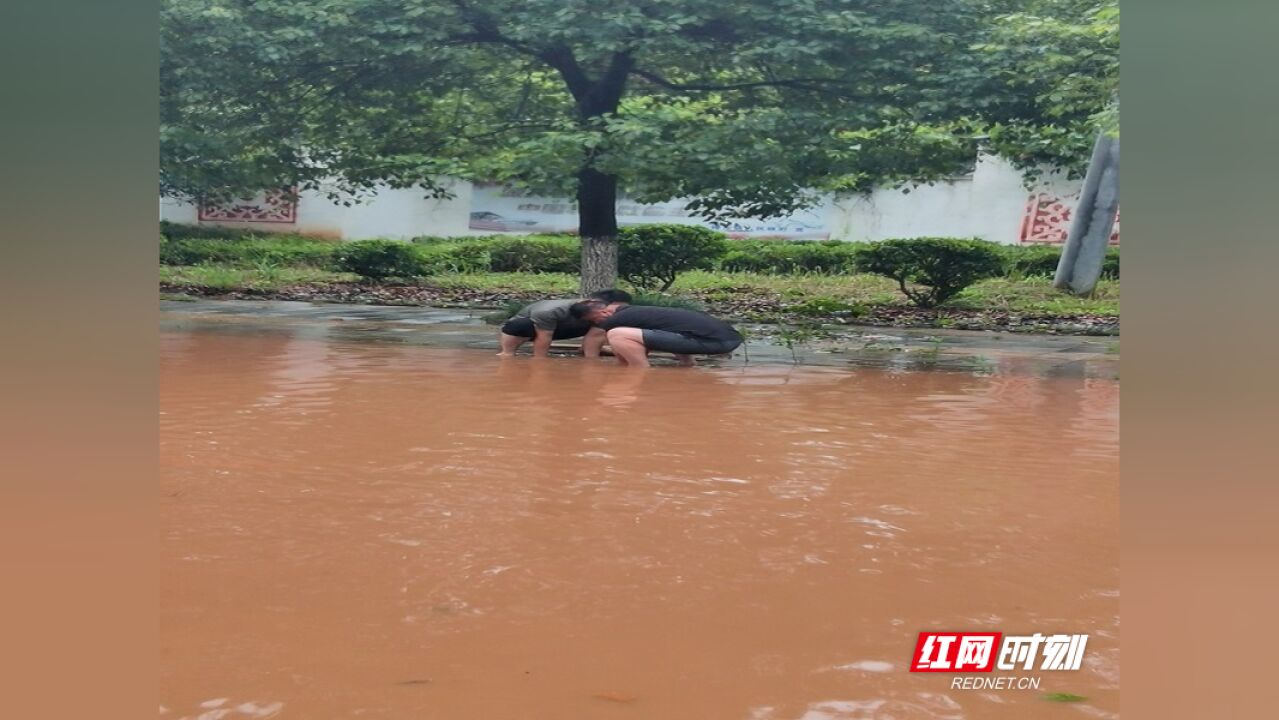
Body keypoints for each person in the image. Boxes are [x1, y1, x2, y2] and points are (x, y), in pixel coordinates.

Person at [570, 299, 743, 368]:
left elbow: (595, 337)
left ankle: (640, 371)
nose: (597, 323)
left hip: (716, 342)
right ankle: (687, 365)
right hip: (728, 339)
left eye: (595, 319)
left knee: (617, 334)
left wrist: (590, 365)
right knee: (667, 331)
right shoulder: (639, 312)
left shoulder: (616, 318)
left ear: (605, 312)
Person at [497, 289, 632, 358]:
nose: (616, 311)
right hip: (532, 329)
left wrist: (591, 361)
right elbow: (543, 337)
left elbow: (595, 335)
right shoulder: (551, 311)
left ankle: (586, 350)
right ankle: (507, 352)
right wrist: (540, 363)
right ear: (594, 302)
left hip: (565, 329)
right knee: (520, 325)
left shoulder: (602, 314)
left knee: (605, 325)